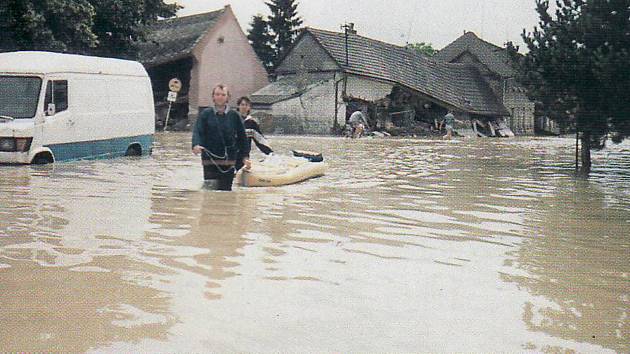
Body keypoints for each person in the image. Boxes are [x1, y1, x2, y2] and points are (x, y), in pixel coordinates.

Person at [192, 84, 250, 191]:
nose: (220, 97)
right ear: (213, 97)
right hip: (209, 159)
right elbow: (197, 131)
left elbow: (243, 138)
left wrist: (245, 157)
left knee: (225, 192)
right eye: (217, 94)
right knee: (209, 191)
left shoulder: (234, 116)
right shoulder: (205, 114)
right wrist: (195, 145)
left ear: (228, 97)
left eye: (223, 95)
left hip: (229, 161)